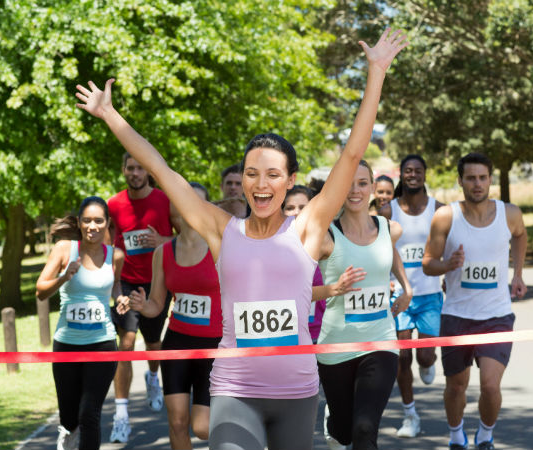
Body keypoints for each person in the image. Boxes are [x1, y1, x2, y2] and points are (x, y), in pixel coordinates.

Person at [75, 27, 409, 450]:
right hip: (234, 390)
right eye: (252, 174)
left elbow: (352, 154)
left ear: (290, 181)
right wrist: (110, 115)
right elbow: (160, 167)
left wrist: (376, 72)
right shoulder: (221, 229)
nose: (261, 183)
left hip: (296, 393)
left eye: (273, 174)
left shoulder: (308, 227)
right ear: (243, 182)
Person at [422, 153, 527, 450]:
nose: (477, 184)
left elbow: (520, 235)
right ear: (460, 181)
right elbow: (428, 263)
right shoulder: (446, 217)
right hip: (457, 315)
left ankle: (485, 435)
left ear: (491, 179)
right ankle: (456, 436)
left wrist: (518, 274)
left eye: (483, 177)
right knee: (456, 386)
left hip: (497, 315)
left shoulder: (510, 214)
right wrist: (448, 265)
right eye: (471, 178)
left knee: (491, 386)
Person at [118, 182, 223, 450]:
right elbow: (156, 304)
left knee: (202, 428)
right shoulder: (163, 253)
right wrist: (141, 305)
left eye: (196, 201)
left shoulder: (221, 247)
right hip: (176, 344)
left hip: (214, 346)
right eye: (182, 199)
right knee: (177, 422)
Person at [316, 160, 413, 450]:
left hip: (380, 342)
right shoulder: (325, 237)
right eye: (348, 183)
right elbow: (294, 290)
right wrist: (333, 289)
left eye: (362, 183)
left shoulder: (390, 228)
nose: (355, 190)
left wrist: (406, 287)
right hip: (336, 348)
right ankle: (333, 420)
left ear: (372, 186)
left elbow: (387, 253)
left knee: (364, 430)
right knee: (344, 433)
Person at [35, 197, 125, 450]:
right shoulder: (65, 249)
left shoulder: (115, 256)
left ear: (107, 223)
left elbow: (115, 285)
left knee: (90, 414)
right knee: (69, 416)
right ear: (79, 222)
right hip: (67, 344)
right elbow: (40, 291)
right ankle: (68, 431)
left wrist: (121, 298)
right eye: (87, 220)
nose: (92, 226)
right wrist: (64, 277)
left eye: (98, 221)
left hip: (102, 343)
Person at [107, 153, 177, 443]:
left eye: (140, 168)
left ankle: (152, 378)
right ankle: (121, 416)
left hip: (157, 283)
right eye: (130, 168)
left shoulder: (165, 200)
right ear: (123, 170)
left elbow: (187, 237)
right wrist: (113, 290)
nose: (135, 173)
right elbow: (108, 247)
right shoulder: (113, 205)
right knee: (125, 344)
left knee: (153, 344)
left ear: (148, 172)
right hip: (125, 281)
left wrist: (161, 241)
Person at [380, 154, 444, 438]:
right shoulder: (387, 210)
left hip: (430, 295)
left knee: (425, 356)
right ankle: (410, 415)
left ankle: (429, 361)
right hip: (400, 297)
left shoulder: (439, 210)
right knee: (402, 357)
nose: (413, 175)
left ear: (425, 174)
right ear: (402, 175)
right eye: (408, 170)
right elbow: (376, 249)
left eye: (418, 170)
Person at [282, 185, 365, 343]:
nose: (297, 212)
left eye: (303, 207)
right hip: (288, 336)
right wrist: (332, 289)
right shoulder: (274, 248)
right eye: (290, 207)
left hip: (323, 335)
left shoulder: (328, 241)